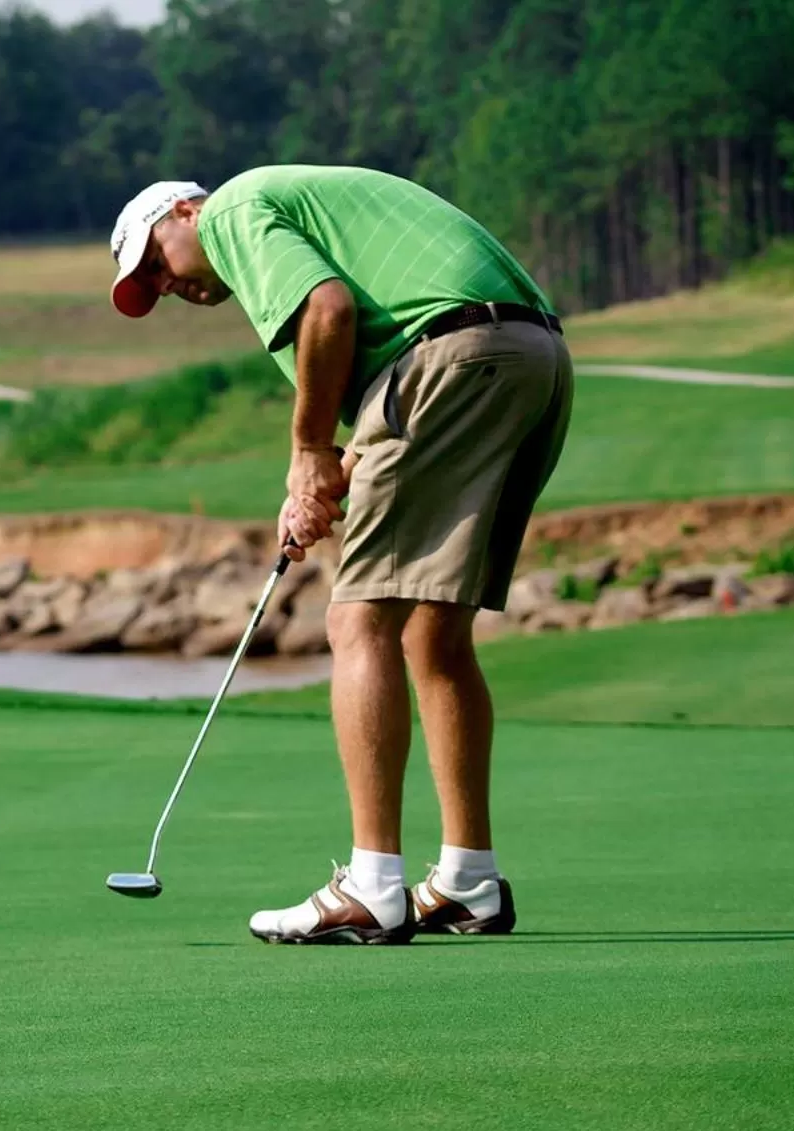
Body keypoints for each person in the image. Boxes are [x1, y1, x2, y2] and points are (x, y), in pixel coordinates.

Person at [108, 166, 574, 945]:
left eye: (157, 263)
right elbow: (378, 405)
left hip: (453, 359)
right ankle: (468, 882)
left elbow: (329, 310)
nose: (166, 286)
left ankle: (372, 885)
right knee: (433, 630)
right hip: (528, 359)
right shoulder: (300, 211)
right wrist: (320, 486)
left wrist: (303, 452)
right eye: (151, 289)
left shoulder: (231, 211)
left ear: (183, 212)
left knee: (359, 622)